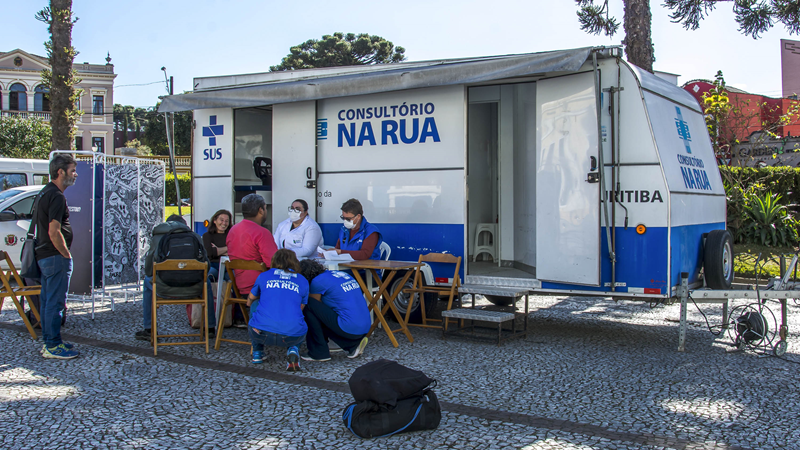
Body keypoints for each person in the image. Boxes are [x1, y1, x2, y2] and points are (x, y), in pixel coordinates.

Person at [134, 215, 216, 341]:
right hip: (193, 288)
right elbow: (207, 265)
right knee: (206, 283)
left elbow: (149, 269)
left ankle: (149, 329)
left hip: (163, 288)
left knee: (147, 281)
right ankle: (209, 327)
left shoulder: (157, 238)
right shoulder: (195, 237)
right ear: (185, 225)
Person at [36, 154, 78, 359]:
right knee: (55, 303)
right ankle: (53, 345)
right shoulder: (57, 196)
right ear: (60, 172)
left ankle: (49, 342)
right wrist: (66, 254)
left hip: (45, 255)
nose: (75, 175)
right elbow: (54, 231)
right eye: (72, 171)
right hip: (54, 256)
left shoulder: (45, 192)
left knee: (47, 301)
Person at [246, 249, 308, 371]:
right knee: (295, 315)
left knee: (255, 304)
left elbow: (249, 302)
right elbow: (301, 308)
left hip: (261, 333)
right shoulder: (302, 280)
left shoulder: (264, 275)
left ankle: (257, 352)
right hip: (292, 335)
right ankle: (293, 349)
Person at [298, 259, 370, 362]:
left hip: (349, 327)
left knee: (309, 304)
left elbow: (315, 309)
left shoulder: (317, 282)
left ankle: (318, 352)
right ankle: (352, 345)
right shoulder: (340, 274)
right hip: (364, 326)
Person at [227, 193, 278, 295]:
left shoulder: (233, 230)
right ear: (260, 210)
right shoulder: (262, 233)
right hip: (261, 288)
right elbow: (274, 263)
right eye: (265, 208)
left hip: (240, 287)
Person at [202, 209, 232, 282]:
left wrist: (217, 250)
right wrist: (228, 248)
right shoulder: (207, 236)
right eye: (221, 220)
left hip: (229, 265)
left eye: (227, 221)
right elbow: (209, 253)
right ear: (215, 221)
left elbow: (236, 252)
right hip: (213, 265)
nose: (224, 223)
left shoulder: (232, 235)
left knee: (234, 279)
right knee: (208, 277)